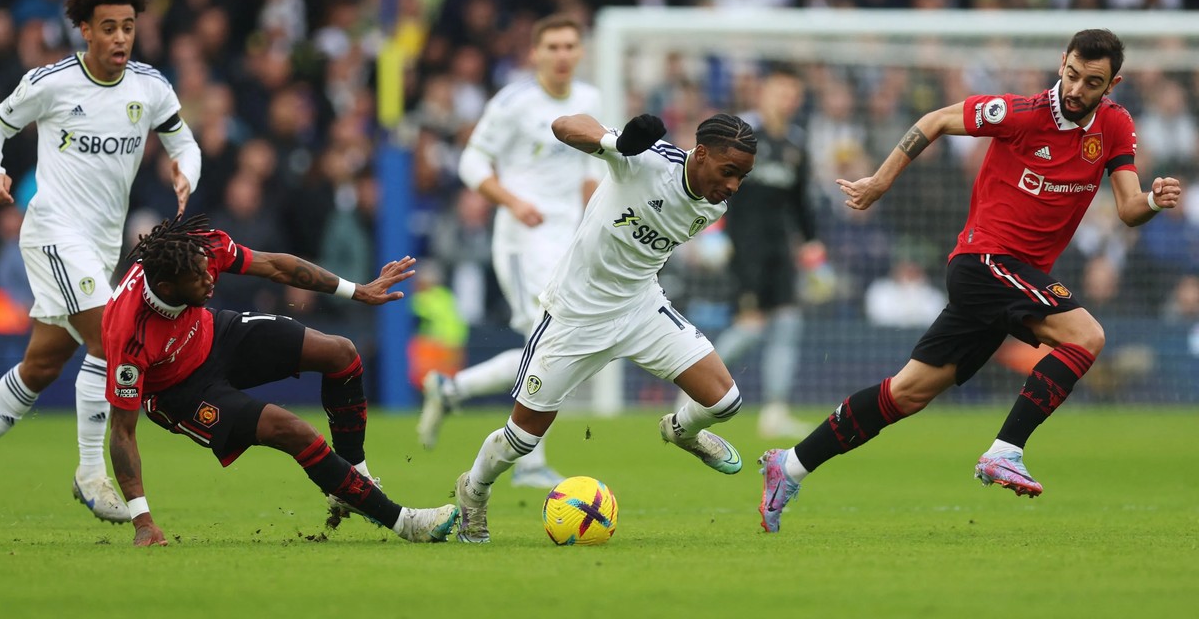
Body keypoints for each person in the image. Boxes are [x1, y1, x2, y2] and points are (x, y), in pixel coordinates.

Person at [759, 29, 1183, 533]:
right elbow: (935, 119)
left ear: (1112, 83)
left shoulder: (1114, 125)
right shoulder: (1021, 112)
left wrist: (1155, 200)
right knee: (1087, 335)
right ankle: (1005, 451)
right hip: (986, 262)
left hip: (1010, 278)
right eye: (1071, 75)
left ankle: (789, 465)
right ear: (1061, 63)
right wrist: (881, 180)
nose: (1076, 89)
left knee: (908, 392)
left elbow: (1130, 208)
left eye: (1092, 82)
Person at [0, 0, 202, 528]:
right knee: (114, 336)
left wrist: (186, 173)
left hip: (102, 243)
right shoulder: (51, 82)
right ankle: (89, 472)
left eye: (128, 27)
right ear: (84, 30)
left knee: (44, 363)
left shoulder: (150, 86)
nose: (121, 39)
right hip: (54, 229)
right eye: (108, 28)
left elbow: (183, 142)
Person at [453, 111, 757, 543]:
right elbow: (563, 125)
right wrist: (619, 145)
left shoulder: (713, 206)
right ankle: (474, 490)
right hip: (575, 315)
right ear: (701, 153)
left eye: (742, 177)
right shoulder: (645, 160)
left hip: (640, 309)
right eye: (729, 172)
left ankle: (680, 430)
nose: (733, 187)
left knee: (726, 401)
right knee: (521, 439)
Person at [102, 214, 460, 546]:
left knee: (341, 353)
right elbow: (122, 432)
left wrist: (357, 291)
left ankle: (353, 481)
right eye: (197, 278)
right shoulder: (128, 333)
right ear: (166, 286)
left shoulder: (198, 249)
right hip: (178, 393)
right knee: (292, 429)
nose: (209, 278)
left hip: (212, 334)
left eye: (206, 270)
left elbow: (274, 265)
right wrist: (142, 520)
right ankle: (405, 522)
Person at [417, 14, 602, 489]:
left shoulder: (589, 100)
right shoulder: (515, 102)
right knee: (548, 341)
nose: (562, 55)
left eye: (569, 46)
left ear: (580, 53)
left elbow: (589, 172)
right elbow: (472, 161)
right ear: (536, 54)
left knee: (550, 346)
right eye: (552, 47)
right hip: (522, 239)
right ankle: (532, 464)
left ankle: (452, 389)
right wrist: (514, 202)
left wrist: (593, 223)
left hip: (567, 239)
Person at [712, 69, 822, 438]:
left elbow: (800, 200)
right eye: (781, 91)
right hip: (745, 246)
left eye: (794, 93)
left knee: (788, 325)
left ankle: (775, 412)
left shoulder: (795, 142)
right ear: (763, 93)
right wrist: (713, 232)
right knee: (751, 326)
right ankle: (691, 385)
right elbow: (715, 184)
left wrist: (811, 240)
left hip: (779, 247)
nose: (787, 100)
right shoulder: (742, 137)